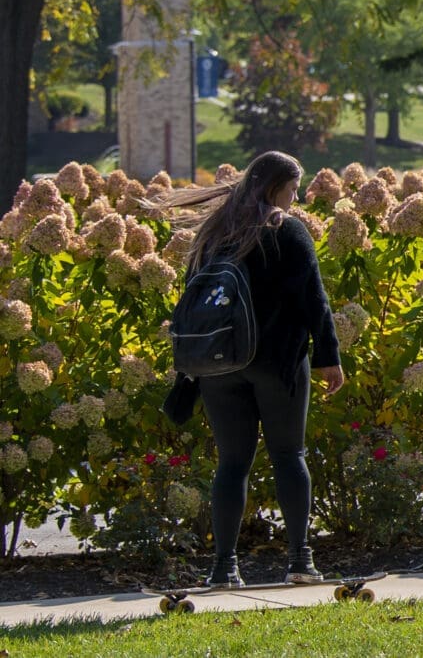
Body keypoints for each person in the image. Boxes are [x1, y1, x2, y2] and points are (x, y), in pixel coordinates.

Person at [159, 152, 343, 589]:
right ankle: (300, 561)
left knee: (232, 463)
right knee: (288, 456)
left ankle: (224, 569)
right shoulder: (288, 231)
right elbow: (314, 301)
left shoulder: (215, 233)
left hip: (220, 364)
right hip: (278, 363)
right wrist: (328, 357)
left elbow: (192, 305)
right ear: (274, 187)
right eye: (292, 190)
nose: (295, 201)